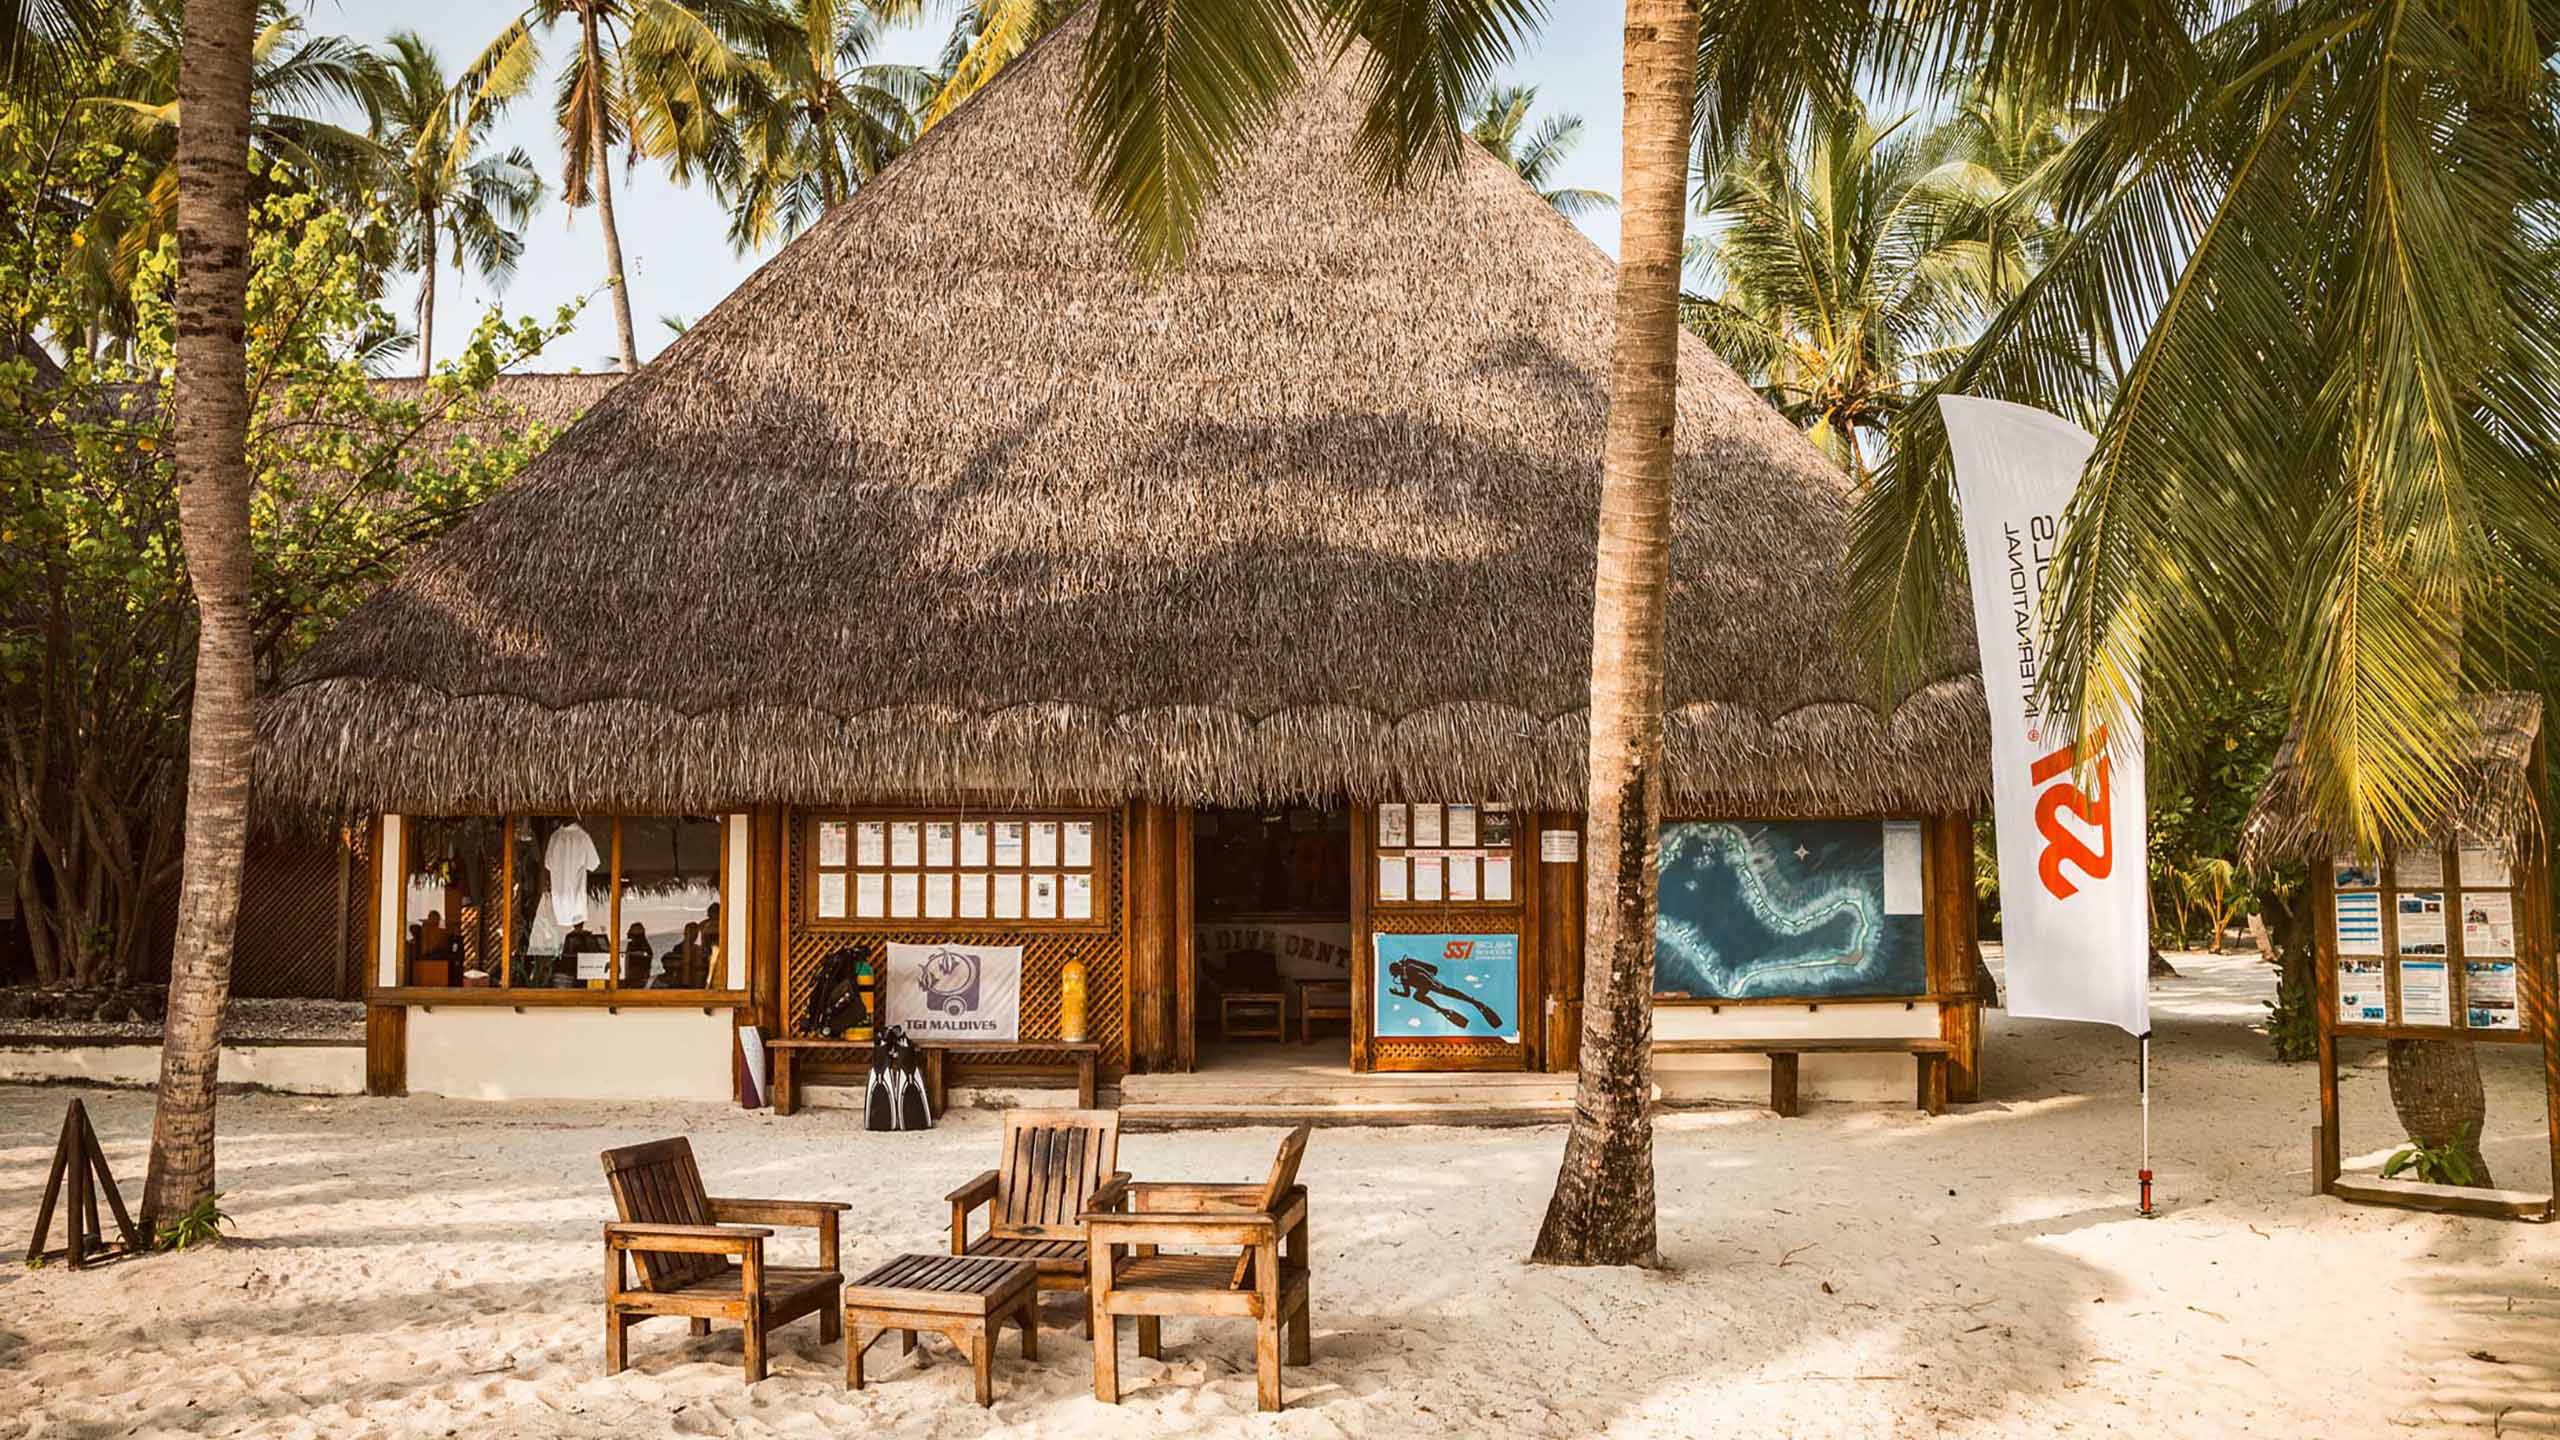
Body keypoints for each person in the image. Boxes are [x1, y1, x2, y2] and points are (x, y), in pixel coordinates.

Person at [623, 922, 654, 988]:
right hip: (631, 978)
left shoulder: (644, 945)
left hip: (640, 979)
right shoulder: (631, 944)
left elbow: (648, 955)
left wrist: (632, 954)